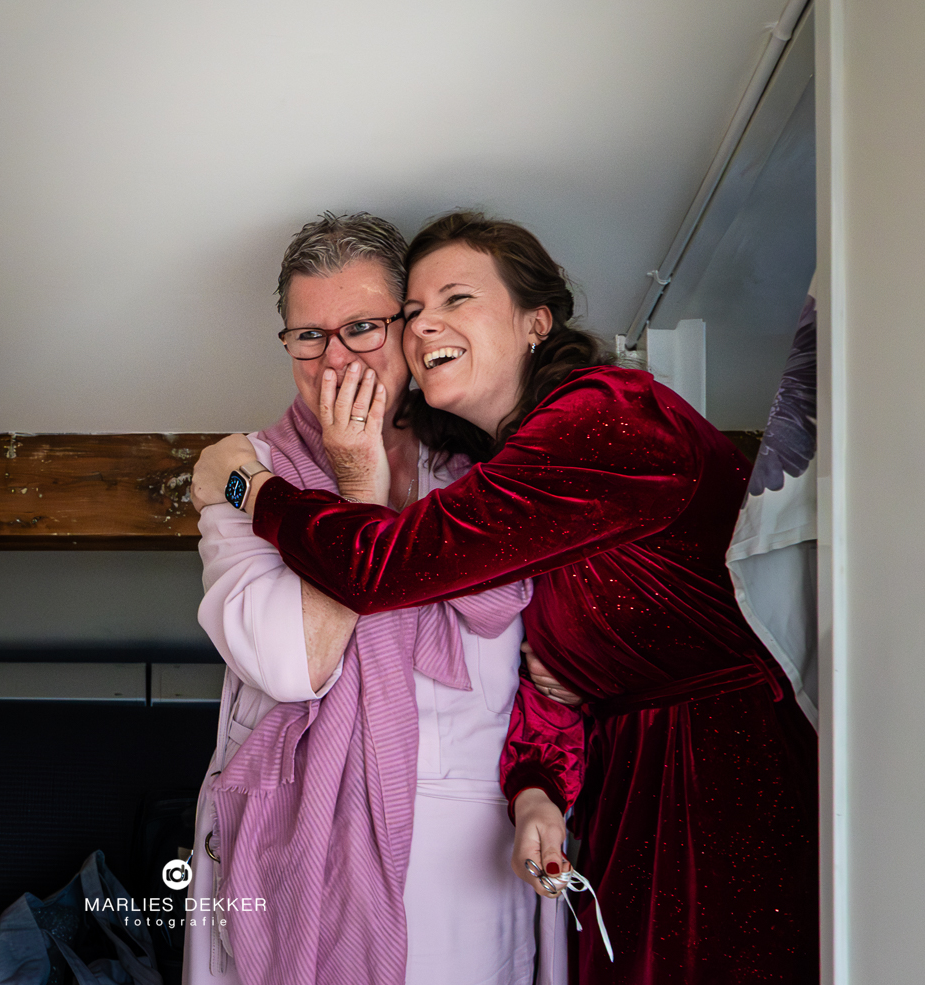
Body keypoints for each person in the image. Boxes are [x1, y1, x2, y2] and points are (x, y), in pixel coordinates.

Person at [191, 210, 819, 985]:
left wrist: (252, 487)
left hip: (724, 764)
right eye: (415, 312)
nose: (424, 328)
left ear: (536, 321)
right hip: (624, 779)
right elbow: (541, 675)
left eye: (454, 301)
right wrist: (538, 787)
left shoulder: (605, 422)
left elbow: (383, 566)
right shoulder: (510, 475)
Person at [185, 213, 583, 985]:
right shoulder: (248, 475)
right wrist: (356, 484)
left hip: (477, 851)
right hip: (309, 855)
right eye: (308, 335)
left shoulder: (488, 464)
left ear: (410, 329)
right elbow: (293, 661)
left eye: (362, 326)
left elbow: (559, 630)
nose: (335, 356)